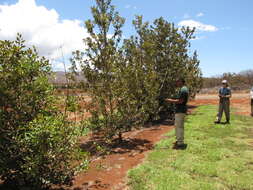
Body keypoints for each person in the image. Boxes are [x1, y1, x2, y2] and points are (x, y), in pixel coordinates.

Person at [166, 78, 189, 150]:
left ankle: (180, 143)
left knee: (179, 127)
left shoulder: (183, 90)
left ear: (182, 81)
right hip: (179, 110)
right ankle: (178, 140)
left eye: (178, 81)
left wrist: (170, 100)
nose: (176, 82)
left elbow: (180, 101)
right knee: (177, 126)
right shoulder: (182, 89)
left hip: (181, 110)